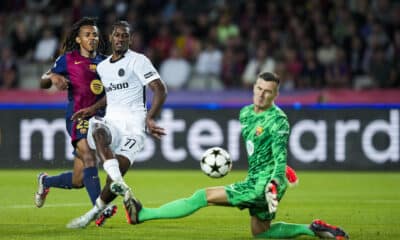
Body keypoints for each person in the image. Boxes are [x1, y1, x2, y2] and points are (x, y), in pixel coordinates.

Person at [111, 72, 349, 239]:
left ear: (275, 95)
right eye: (259, 89)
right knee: (262, 233)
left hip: (264, 186)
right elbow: (263, 152)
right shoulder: (246, 114)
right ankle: (312, 229)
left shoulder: (278, 121)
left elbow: (280, 153)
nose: (262, 95)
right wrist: (282, 173)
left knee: (201, 196)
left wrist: (276, 180)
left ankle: (141, 215)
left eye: (268, 92)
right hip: (258, 179)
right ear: (253, 87)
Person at [66, 20, 167, 229]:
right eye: (117, 35)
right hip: (112, 122)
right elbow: (110, 95)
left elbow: (160, 89)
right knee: (97, 127)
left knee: (113, 180)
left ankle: (93, 212)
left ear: (130, 39)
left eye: (125, 36)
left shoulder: (138, 61)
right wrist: (92, 109)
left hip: (134, 127)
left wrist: (150, 117)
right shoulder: (103, 67)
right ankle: (121, 185)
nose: (121, 39)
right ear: (110, 38)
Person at [35, 17, 116, 226]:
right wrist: (52, 77)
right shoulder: (67, 60)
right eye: (87, 34)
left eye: (95, 34)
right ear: (79, 39)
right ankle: (101, 209)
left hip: (100, 120)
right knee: (90, 158)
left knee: (78, 180)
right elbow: (43, 82)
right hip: (78, 118)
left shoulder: (107, 63)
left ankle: (46, 181)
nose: (92, 38)